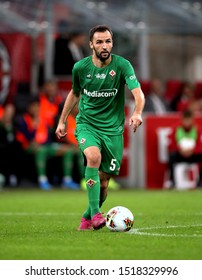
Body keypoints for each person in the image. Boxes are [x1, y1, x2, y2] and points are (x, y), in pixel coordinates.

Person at [55, 25, 145, 231]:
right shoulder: (80, 67)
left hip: (113, 131)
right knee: (93, 158)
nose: (105, 46)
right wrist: (62, 120)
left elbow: (138, 93)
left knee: (104, 184)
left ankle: (87, 217)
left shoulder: (122, 66)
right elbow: (74, 93)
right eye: (100, 42)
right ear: (91, 45)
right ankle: (96, 214)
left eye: (108, 41)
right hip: (87, 125)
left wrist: (137, 112)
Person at [16, 96, 80, 190]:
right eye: (33, 106)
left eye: (37, 106)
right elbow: (22, 137)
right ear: (29, 108)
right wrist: (34, 128)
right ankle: (42, 180)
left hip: (46, 146)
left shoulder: (43, 119)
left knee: (68, 150)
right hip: (29, 146)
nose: (35, 109)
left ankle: (67, 180)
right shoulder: (23, 120)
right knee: (41, 150)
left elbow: (49, 136)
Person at [167, 109, 202, 188]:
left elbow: (199, 145)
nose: (187, 122)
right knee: (172, 156)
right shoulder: (176, 129)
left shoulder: (197, 129)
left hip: (192, 154)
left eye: (189, 120)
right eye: (185, 120)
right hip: (180, 154)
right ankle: (173, 182)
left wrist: (192, 151)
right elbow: (171, 144)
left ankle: (199, 182)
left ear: (192, 119)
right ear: (182, 119)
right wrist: (180, 150)